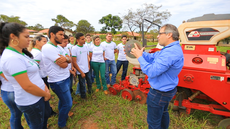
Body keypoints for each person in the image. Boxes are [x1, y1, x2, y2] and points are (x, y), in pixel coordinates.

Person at [130, 24, 184, 129]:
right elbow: (153, 57)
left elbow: (151, 71)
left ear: (169, 35)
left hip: (159, 94)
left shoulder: (170, 52)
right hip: (167, 90)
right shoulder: (170, 49)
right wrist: (142, 53)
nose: (158, 36)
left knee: (153, 123)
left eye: (160, 33)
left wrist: (140, 57)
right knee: (163, 112)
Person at [0, 22, 51, 129]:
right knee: (37, 126)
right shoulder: (12, 58)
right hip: (31, 100)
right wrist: (45, 94)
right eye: (26, 36)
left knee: (42, 122)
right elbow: (27, 86)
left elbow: (34, 75)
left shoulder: (20, 53)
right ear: (13, 37)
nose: (29, 39)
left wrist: (44, 88)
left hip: (37, 96)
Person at [42, 26, 72, 129]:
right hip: (58, 81)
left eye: (63, 35)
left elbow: (69, 59)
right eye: (60, 34)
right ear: (52, 34)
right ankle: (61, 124)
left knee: (63, 101)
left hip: (65, 78)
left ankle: (62, 116)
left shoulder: (59, 47)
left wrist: (66, 59)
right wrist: (67, 60)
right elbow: (64, 65)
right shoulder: (47, 48)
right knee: (68, 104)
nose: (63, 37)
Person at [30, 34, 57, 117]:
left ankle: (48, 111)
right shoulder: (37, 53)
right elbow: (34, 69)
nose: (46, 43)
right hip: (41, 77)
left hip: (42, 76)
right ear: (37, 42)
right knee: (44, 96)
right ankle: (47, 112)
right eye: (44, 41)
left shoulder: (36, 51)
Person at [72, 33, 92, 99]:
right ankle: (83, 97)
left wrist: (88, 65)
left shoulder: (85, 46)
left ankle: (90, 92)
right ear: (77, 40)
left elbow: (87, 56)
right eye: (82, 39)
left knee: (89, 82)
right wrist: (81, 72)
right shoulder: (74, 48)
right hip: (80, 70)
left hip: (87, 68)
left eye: (84, 38)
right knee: (82, 84)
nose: (84, 40)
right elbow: (74, 62)